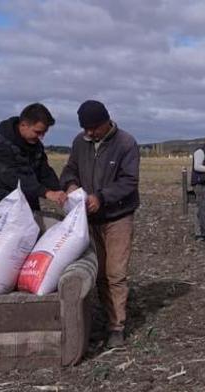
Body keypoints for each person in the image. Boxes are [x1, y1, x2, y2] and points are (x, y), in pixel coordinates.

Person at [60, 100, 140, 348]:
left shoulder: (126, 143)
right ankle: (99, 317)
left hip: (118, 217)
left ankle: (117, 326)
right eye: (85, 128)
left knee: (115, 272)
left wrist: (102, 197)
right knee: (97, 271)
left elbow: (129, 182)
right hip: (87, 218)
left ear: (107, 121)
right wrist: (71, 184)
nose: (89, 133)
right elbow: (69, 169)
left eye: (94, 128)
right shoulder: (79, 142)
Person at [0, 103, 66, 218]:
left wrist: (60, 190)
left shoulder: (35, 145)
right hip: (0, 210)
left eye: (44, 132)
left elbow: (45, 172)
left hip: (25, 208)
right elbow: (14, 178)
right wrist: (46, 193)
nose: (41, 137)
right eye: (38, 132)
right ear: (24, 125)